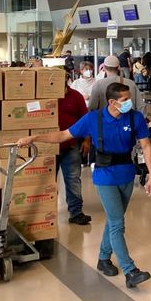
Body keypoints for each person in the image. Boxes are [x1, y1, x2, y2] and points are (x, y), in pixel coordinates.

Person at [17, 82, 151, 288]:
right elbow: (64, 135)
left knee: (113, 220)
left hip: (126, 173)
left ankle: (102, 258)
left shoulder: (134, 118)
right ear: (112, 102)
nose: (129, 103)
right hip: (104, 175)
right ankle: (130, 271)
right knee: (117, 223)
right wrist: (35, 138)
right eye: (125, 100)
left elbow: (146, 145)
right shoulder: (94, 119)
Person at [56, 75, 91, 225]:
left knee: (73, 180)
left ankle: (76, 212)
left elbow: (85, 120)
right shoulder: (45, 96)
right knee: (48, 182)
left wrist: (86, 140)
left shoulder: (75, 96)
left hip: (71, 146)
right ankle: (47, 211)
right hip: (49, 148)